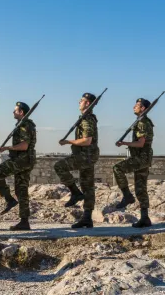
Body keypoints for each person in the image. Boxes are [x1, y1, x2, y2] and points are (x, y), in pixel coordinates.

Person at [54, 93, 99, 228]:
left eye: (82, 101)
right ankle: (87, 217)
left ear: (87, 103)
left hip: (85, 155)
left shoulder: (87, 120)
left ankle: (75, 193)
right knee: (87, 186)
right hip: (89, 155)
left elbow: (87, 140)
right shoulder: (87, 118)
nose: (79, 102)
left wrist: (68, 141)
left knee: (59, 166)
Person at [0, 102, 36, 230]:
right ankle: (24, 221)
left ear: (21, 112)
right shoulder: (24, 124)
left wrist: (6, 147)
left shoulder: (25, 125)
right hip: (26, 160)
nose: (13, 112)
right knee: (21, 190)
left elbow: (24, 146)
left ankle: (9, 199)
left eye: (15, 110)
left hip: (22, 159)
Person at [113, 98, 154, 228]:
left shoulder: (142, 123)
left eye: (137, 105)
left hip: (141, 157)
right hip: (144, 157)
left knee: (117, 168)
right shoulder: (142, 121)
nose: (134, 107)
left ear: (143, 108)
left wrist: (125, 143)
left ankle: (127, 196)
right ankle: (144, 217)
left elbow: (141, 143)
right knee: (140, 188)